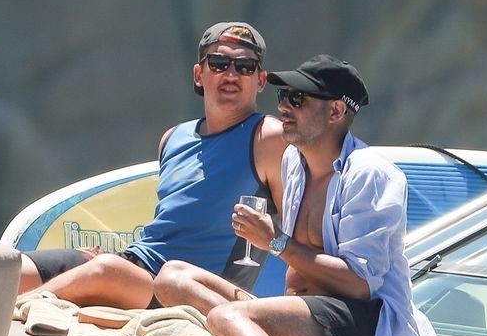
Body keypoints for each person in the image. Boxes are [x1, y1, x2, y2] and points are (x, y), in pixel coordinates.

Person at [151, 55, 435, 336]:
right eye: (283, 95)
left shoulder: (369, 173)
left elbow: (359, 285)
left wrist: (276, 242)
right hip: (309, 317)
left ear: (336, 111)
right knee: (172, 278)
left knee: (226, 317)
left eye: (298, 99)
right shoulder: (293, 161)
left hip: (364, 327)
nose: (284, 106)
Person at [18, 22, 287, 306]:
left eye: (245, 66)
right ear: (199, 74)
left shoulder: (270, 138)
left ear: (260, 80)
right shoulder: (173, 138)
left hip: (192, 290)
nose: (231, 74)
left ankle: (23, 307)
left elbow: (300, 234)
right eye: (219, 63)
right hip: (134, 266)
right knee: (11, 270)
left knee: (104, 270)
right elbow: (167, 231)